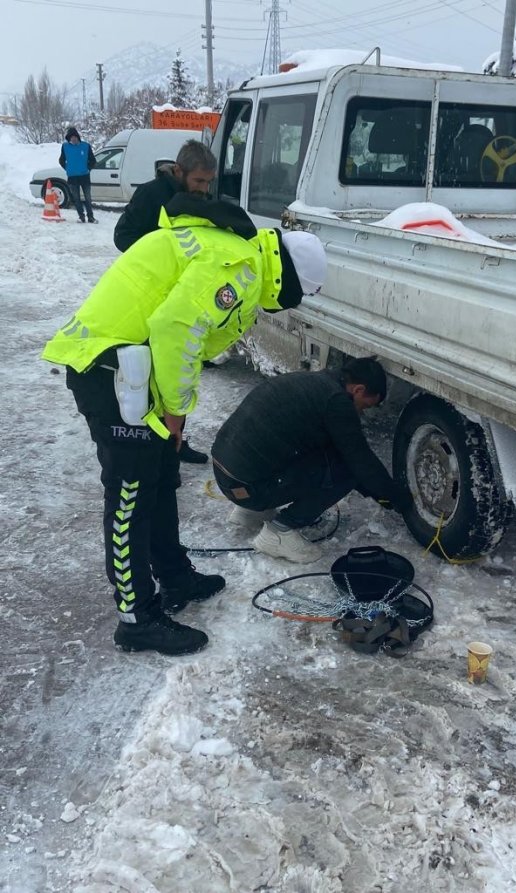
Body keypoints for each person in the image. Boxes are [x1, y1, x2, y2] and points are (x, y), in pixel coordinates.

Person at [42, 195, 328, 655]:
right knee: (130, 496)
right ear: (288, 278)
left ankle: (174, 576)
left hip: (133, 374)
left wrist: (176, 409)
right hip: (112, 372)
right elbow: (177, 327)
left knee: (159, 478)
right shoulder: (237, 263)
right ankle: (136, 618)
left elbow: (187, 343)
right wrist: (176, 411)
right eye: (295, 296)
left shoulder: (233, 250)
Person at [211, 357, 413, 564]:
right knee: (347, 472)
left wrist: (377, 492)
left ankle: (251, 511)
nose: (362, 412)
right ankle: (279, 532)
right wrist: (398, 499)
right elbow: (360, 462)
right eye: (365, 406)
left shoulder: (314, 383)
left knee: (324, 454)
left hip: (228, 476)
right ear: (359, 390)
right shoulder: (337, 402)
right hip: (249, 488)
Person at [113, 138, 218, 465]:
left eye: (208, 182)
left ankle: (175, 440)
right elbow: (122, 236)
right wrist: (155, 258)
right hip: (148, 299)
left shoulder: (198, 199)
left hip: (182, 298)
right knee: (149, 374)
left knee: (177, 373)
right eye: (198, 180)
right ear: (178, 170)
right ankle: (151, 443)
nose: (203, 188)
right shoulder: (151, 195)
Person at [59, 126, 97, 223]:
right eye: (71, 137)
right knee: (76, 199)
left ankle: (91, 217)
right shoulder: (65, 147)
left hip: (84, 176)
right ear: (68, 138)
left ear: (78, 137)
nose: (73, 138)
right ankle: (81, 217)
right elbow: (61, 160)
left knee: (88, 198)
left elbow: (93, 160)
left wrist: (87, 169)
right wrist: (68, 168)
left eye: (75, 136)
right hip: (72, 178)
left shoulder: (85, 146)